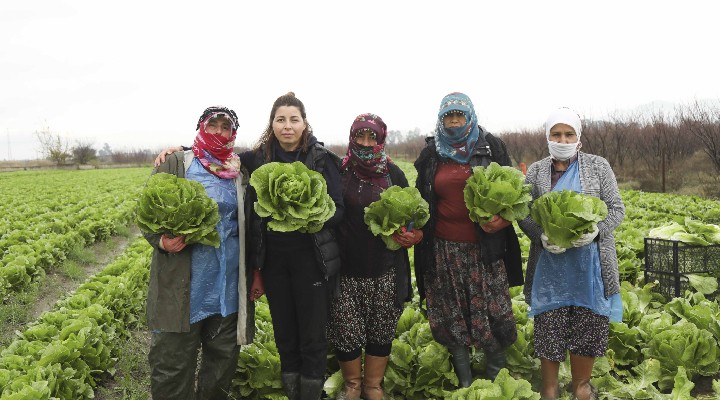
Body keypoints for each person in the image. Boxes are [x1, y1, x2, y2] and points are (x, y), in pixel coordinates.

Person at [153, 93, 343, 400]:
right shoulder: (253, 159)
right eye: (280, 119)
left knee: (306, 337)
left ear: (304, 123)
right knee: (283, 335)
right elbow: (210, 159)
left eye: (294, 119)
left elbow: (337, 208)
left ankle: (306, 394)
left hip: (294, 266)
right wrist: (181, 150)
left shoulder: (310, 160)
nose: (287, 126)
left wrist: (309, 219)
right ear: (272, 124)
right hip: (253, 268)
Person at [142, 106, 259, 400]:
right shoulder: (176, 163)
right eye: (213, 125)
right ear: (201, 128)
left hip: (228, 286)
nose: (219, 132)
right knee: (171, 364)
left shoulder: (239, 171)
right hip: (183, 286)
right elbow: (147, 212)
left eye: (226, 127)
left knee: (221, 364)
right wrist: (161, 242)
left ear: (233, 134)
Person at [413, 92, 524, 388]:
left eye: (459, 115)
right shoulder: (431, 153)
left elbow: (514, 191)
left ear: (470, 116)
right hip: (442, 250)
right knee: (450, 313)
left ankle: (493, 378)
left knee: (493, 311)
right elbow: (420, 200)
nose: (453, 121)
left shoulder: (492, 146)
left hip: (485, 249)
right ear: (440, 119)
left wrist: (504, 218)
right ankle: (464, 382)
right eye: (448, 116)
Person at [517, 107, 624, 400]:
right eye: (556, 134)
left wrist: (597, 230)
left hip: (590, 269)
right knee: (549, 334)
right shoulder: (537, 171)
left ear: (578, 138)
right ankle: (549, 390)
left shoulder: (598, 166)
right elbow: (523, 213)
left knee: (586, 336)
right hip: (549, 270)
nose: (562, 139)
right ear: (547, 137)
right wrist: (540, 235)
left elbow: (616, 209)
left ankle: (581, 388)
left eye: (568, 134)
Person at [327, 113, 418, 400]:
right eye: (360, 136)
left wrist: (411, 235)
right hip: (345, 268)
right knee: (346, 330)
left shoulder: (393, 174)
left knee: (381, 330)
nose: (366, 143)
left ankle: (373, 385)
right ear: (351, 137)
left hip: (385, 269)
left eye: (372, 137)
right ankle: (353, 384)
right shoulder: (338, 172)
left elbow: (414, 216)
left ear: (381, 140)